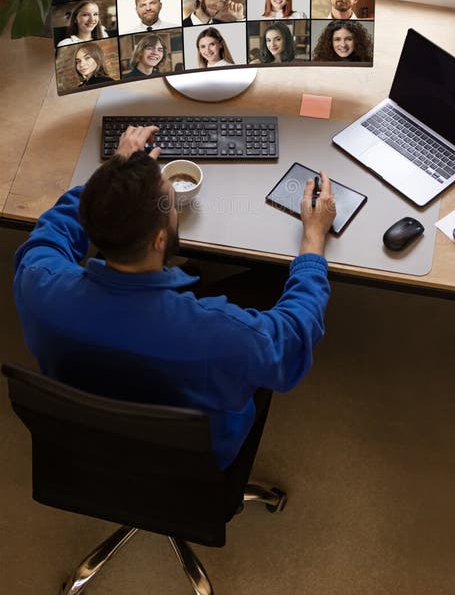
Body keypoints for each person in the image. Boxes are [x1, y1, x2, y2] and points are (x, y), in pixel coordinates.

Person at [13, 124, 336, 470]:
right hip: (194, 467)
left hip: (87, 447)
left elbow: (49, 235)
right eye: (169, 203)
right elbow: (293, 340)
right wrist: (313, 241)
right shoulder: (219, 335)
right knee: (270, 278)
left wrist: (116, 175)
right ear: (159, 241)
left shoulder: (38, 284)